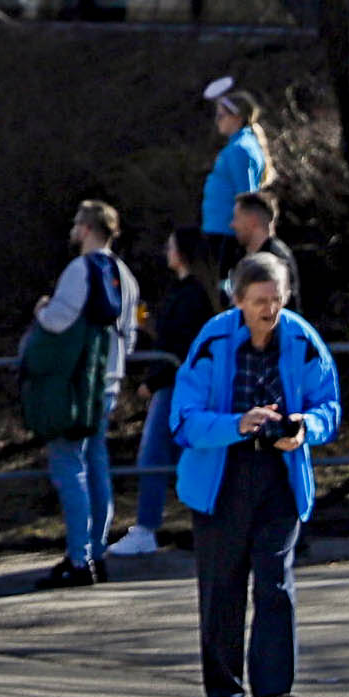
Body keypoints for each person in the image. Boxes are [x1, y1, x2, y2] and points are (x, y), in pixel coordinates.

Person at [169, 252, 340, 697]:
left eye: (278, 299)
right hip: (221, 478)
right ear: (238, 300)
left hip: (279, 477)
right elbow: (183, 420)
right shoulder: (213, 339)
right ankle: (225, 692)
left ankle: (273, 693)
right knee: (222, 585)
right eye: (260, 300)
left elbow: (329, 404)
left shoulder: (302, 338)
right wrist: (238, 424)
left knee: (275, 582)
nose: (271, 310)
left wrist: (305, 428)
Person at [31, 199, 139, 590]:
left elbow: (59, 320)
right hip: (109, 382)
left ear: (88, 228)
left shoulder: (80, 270)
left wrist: (43, 309)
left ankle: (78, 558)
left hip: (76, 384)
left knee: (68, 464)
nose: (73, 230)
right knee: (97, 465)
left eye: (77, 223)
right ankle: (96, 551)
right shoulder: (125, 275)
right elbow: (130, 333)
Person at [108, 224, 221, 557]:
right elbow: (169, 336)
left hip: (175, 385)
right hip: (174, 382)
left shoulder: (191, 294)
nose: (165, 252)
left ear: (182, 252)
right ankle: (183, 523)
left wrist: (152, 380)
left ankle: (146, 527)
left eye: (170, 246)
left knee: (154, 455)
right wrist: (146, 323)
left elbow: (179, 344)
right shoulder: (187, 290)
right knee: (179, 455)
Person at [199, 80, 270, 271]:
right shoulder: (238, 145)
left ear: (237, 117)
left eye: (221, 116)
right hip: (220, 231)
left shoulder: (240, 148)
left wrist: (245, 237)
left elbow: (246, 196)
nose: (217, 121)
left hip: (227, 235)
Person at [230, 191, 297, 305]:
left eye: (237, 218)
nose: (232, 224)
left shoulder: (277, 259)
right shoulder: (239, 255)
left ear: (252, 221)